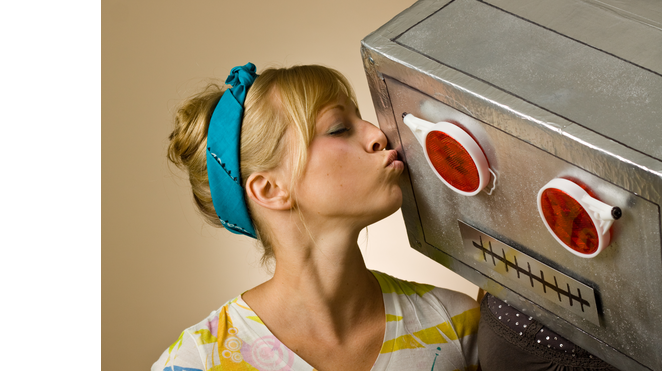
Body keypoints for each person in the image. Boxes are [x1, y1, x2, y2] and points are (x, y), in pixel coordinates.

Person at [153, 63, 480, 371]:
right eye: (339, 129)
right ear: (270, 189)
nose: (378, 134)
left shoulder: (457, 324)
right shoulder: (198, 361)